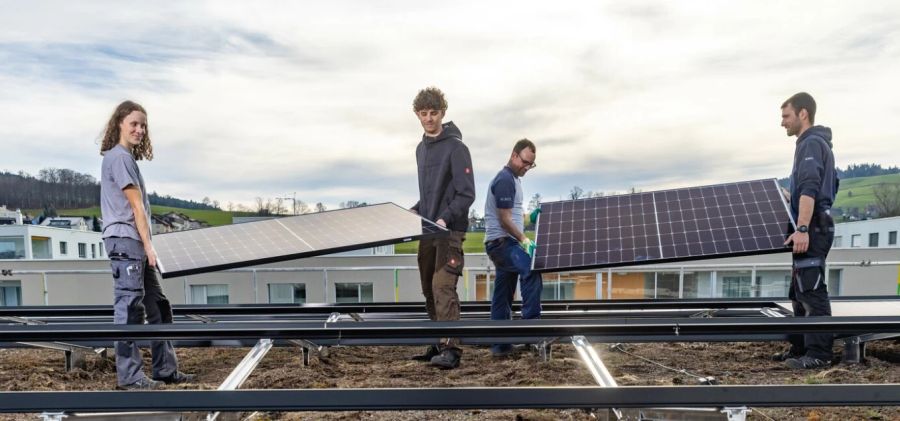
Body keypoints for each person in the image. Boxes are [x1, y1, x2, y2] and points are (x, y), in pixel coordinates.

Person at [99, 100, 194, 389]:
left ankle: (165, 369)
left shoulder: (127, 158)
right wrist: (150, 246)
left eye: (143, 125)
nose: (140, 130)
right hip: (127, 243)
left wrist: (147, 246)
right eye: (134, 124)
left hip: (136, 244)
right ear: (119, 124)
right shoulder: (119, 158)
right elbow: (137, 208)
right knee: (130, 308)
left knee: (159, 305)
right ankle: (130, 377)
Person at [409, 87, 476, 369]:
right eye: (423, 113)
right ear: (417, 114)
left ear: (443, 113)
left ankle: (451, 350)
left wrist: (445, 218)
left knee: (442, 286)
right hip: (428, 229)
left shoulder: (457, 148)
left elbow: (466, 193)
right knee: (427, 287)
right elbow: (430, 194)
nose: (428, 118)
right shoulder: (421, 149)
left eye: (433, 113)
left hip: (449, 231)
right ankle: (438, 342)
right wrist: (415, 210)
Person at [775, 92, 839, 370]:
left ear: (803, 114)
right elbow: (812, 188)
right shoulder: (813, 144)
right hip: (813, 224)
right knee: (798, 289)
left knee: (811, 289)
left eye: (786, 116)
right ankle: (800, 348)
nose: (782, 123)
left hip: (812, 227)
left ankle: (819, 355)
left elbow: (812, 188)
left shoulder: (811, 143)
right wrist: (789, 196)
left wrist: (802, 228)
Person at [483, 139, 543, 357]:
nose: (527, 167)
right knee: (531, 268)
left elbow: (515, 216)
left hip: (505, 242)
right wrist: (523, 240)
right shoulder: (505, 179)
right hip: (502, 243)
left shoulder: (515, 180)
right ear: (514, 155)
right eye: (525, 162)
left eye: (531, 165)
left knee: (503, 293)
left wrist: (530, 218)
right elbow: (504, 220)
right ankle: (531, 328)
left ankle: (500, 345)